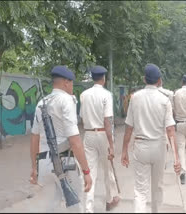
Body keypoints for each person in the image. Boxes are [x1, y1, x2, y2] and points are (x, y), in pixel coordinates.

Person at [30, 65, 92, 212]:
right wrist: (86, 171)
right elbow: (75, 142)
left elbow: (34, 139)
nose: (72, 86)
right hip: (65, 163)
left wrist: (34, 168)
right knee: (75, 207)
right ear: (66, 82)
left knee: (50, 208)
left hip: (44, 164)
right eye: (71, 83)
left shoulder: (41, 103)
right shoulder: (66, 100)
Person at [121, 63, 181, 213]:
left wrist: (124, 150)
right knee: (157, 188)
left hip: (140, 147)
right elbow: (170, 130)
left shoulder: (135, 98)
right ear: (159, 80)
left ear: (144, 79)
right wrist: (176, 157)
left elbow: (129, 127)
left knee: (140, 191)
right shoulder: (164, 100)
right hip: (159, 147)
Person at [79, 65, 120, 212]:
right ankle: (109, 200)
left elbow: (82, 118)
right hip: (103, 134)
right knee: (107, 169)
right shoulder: (106, 95)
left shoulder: (83, 95)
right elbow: (107, 121)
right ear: (103, 78)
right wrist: (111, 143)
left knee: (89, 172)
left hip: (88, 134)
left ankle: (88, 209)